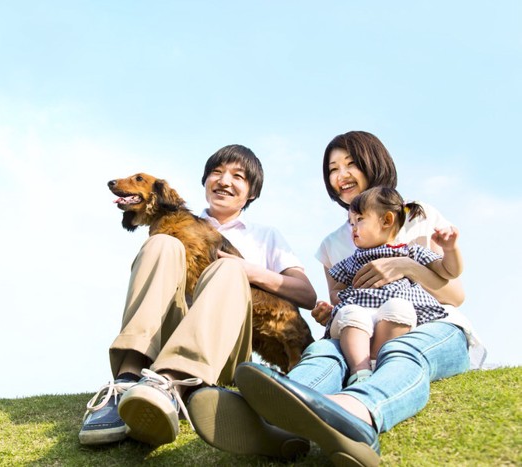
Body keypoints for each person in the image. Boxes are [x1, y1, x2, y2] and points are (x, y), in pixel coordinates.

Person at [187, 131, 485, 464]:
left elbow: (455, 295)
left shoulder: (416, 215)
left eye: (350, 164)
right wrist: (328, 315)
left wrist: (403, 265)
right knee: (324, 352)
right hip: (360, 332)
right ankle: (268, 419)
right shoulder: (333, 245)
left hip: (432, 326)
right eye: (332, 169)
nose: (340, 176)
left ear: (374, 163)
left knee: (401, 350)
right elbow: (342, 306)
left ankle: (357, 413)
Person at [79, 144, 317, 448]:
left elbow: (307, 295)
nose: (224, 181)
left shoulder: (266, 236)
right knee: (161, 245)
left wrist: (246, 269)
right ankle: (127, 381)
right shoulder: (170, 226)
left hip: (223, 351)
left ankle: (174, 382)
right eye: (216, 173)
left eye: (238, 176)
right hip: (162, 343)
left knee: (226, 272)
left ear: (252, 191)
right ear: (205, 181)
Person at [326, 186, 463, 386]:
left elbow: (449, 271)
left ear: (387, 220)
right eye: (351, 223)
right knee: (352, 313)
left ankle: (378, 363)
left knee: (399, 308)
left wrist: (450, 249)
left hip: (393, 316)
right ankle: (359, 371)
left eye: (359, 220)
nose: (353, 228)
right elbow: (336, 290)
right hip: (362, 315)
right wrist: (342, 301)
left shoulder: (410, 252)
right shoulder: (354, 260)